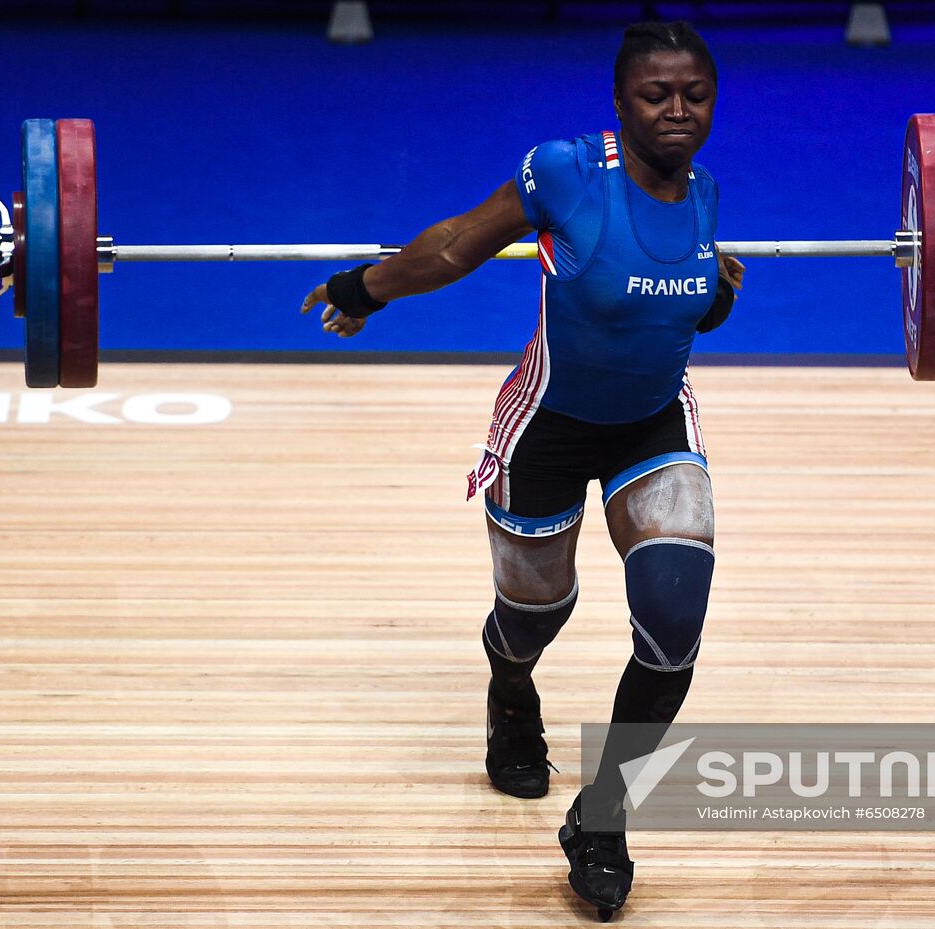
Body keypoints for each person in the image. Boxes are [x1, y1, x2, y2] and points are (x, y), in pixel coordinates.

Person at [301, 20, 744, 919]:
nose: (677, 110)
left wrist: (720, 291)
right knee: (537, 613)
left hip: (654, 425)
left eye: (694, 94)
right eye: (656, 94)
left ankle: (604, 820)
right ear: (620, 103)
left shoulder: (706, 195)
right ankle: (510, 686)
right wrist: (366, 289)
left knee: (673, 618)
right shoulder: (567, 172)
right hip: (547, 425)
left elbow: (687, 314)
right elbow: (460, 242)